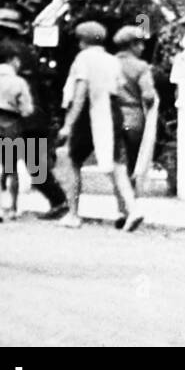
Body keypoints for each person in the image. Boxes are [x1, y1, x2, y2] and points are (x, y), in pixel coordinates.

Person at [0, 8, 70, 220]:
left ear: (2, 29)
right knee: (34, 164)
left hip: (11, 113)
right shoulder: (29, 50)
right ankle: (58, 201)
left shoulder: (2, 50)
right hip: (34, 113)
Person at [59, 21, 143, 232]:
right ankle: (131, 209)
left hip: (90, 111)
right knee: (117, 164)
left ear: (83, 41)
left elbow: (80, 93)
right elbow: (119, 87)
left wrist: (68, 124)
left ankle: (73, 213)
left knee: (74, 161)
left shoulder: (83, 59)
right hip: (113, 111)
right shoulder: (111, 60)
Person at [0, 41, 35, 222]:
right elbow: (27, 110)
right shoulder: (19, 82)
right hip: (12, 126)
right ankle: (14, 208)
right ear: (11, 60)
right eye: (17, 60)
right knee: (13, 168)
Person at [113, 25, 159, 196]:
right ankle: (132, 197)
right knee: (133, 161)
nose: (143, 48)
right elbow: (148, 95)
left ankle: (121, 201)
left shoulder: (110, 63)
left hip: (113, 117)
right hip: (134, 118)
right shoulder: (141, 67)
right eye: (140, 44)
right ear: (132, 45)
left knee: (117, 161)